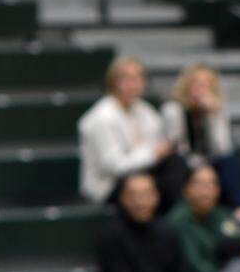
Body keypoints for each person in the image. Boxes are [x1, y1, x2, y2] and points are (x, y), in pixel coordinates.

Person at [77, 56, 188, 207]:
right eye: (127, 79)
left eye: (139, 78)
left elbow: (158, 143)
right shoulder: (101, 117)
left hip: (141, 174)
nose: (134, 84)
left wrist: (158, 153)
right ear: (113, 82)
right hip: (108, 186)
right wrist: (153, 154)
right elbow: (113, 165)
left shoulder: (145, 110)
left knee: (177, 164)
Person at [160, 64, 240, 212]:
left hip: (210, 161)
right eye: (197, 84)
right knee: (175, 165)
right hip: (185, 163)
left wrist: (212, 115)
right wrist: (199, 167)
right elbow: (175, 145)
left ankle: (238, 211)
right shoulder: (173, 109)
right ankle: (177, 213)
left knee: (232, 162)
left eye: (207, 85)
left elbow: (223, 148)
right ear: (186, 86)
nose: (201, 90)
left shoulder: (217, 111)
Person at [165, 163, 232, 272]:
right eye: (199, 184)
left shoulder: (223, 215)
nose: (206, 191)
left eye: (212, 184)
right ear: (186, 188)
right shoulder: (176, 221)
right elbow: (195, 265)